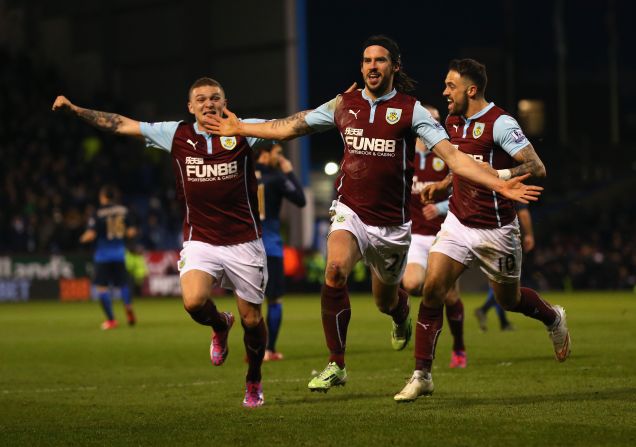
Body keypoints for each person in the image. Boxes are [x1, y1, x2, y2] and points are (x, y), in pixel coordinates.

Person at [204, 36, 542, 394]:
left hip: (392, 227)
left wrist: (499, 182)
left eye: (380, 60)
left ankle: (399, 316)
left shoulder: (412, 111)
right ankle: (337, 363)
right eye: (366, 60)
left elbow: (456, 160)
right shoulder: (343, 104)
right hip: (350, 211)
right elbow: (292, 125)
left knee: (387, 301)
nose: (372, 66)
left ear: (395, 66)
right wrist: (240, 126)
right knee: (334, 271)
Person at [52, 77, 271, 408]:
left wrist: (335, 109)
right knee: (194, 302)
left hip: (244, 241)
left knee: (253, 321)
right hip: (201, 240)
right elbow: (121, 125)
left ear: (225, 102)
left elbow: (289, 126)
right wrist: (75, 110)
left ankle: (253, 379)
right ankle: (219, 323)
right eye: (201, 99)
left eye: (215, 98)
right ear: (190, 106)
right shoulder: (177, 134)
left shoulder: (243, 129)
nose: (208, 103)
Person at [393, 58, 570, 403]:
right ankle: (422, 375)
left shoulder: (500, 122)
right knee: (432, 289)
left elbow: (537, 166)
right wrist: (445, 184)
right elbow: (460, 166)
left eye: (450, 86)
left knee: (510, 300)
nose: (444, 92)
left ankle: (552, 316)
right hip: (458, 223)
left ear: (471, 90)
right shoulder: (452, 120)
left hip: (498, 230)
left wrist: (495, 175)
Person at [402, 105, 467, 369]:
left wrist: (440, 207)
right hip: (416, 236)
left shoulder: (447, 156)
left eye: (438, 121)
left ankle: (459, 347)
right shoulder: (405, 155)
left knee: (450, 296)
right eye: (431, 121)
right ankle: (405, 317)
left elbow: (463, 193)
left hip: (445, 233)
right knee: (412, 283)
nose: (436, 126)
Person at [255, 143, 306, 361]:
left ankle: (253, 350)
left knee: (250, 303)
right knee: (274, 301)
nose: (280, 157)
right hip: (271, 247)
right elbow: (300, 200)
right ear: (265, 155)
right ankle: (269, 350)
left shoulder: (244, 176)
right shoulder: (276, 178)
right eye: (277, 153)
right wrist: (289, 171)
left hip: (247, 247)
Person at [80, 185, 137, 330]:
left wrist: (82, 238)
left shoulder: (98, 213)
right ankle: (128, 306)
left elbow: (91, 235)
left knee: (102, 288)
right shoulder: (123, 211)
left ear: (103, 197)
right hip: (119, 254)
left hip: (103, 256)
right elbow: (131, 232)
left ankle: (111, 320)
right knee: (123, 284)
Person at [474, 204, 535, 331]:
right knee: (506, 286)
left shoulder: (483, 191)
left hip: (483, 238)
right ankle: (485, 310)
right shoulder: (510, 189)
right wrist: (529, 234)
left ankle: (502, 322)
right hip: (505, 241)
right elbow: (523, 213)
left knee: (497, 283)